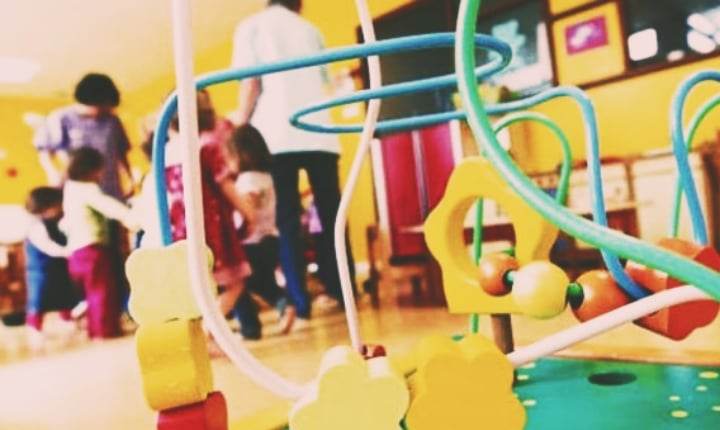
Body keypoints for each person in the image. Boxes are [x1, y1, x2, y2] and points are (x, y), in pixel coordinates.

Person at [232, 0, 355, 323]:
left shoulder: (252, 26)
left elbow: (250, 82)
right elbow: (323, 79)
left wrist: (239, 125)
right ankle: (344, 292)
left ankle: (301, 303)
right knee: (332, 216)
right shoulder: (311, 29)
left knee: (286, 222)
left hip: (277, 135)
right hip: (320, 131)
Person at [33, 73, 134, 313]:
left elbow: (120, 152)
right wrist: (54, 175)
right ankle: (88, 304)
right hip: (79, 198)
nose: (104, 110)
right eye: (102, 105)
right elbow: (44, 151)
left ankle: (120, 306)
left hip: (110, 193)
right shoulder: (61, 118)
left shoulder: (112, 121)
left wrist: (129, 178)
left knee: (114, 254)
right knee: (89, 254)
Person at [163, 90, 259, 339]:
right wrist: (249, 213)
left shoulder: (165, 153)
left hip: (179, 232)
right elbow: (226, 186)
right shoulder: (205, 146)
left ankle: (202, 335)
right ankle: (205, 333)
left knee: (196, 287)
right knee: (235, 282)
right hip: (211, 229)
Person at [226, 124, 296, 335]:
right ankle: (283, 303)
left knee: (239, 283)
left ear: (241, 155)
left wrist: (241, 228)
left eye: (230, 156)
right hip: (270, 239)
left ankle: (251, 327)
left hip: (251, 242)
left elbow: (250, 206)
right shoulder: (266, 177)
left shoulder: (246, 180)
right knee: (263, 282)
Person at [62, 147, 139, 339]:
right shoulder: (87, 189)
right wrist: (131, 218)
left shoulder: (69, 189)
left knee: (93, 292)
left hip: (76, 251)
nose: (101, 174)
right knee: (102, 291)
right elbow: (108, 206)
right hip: (91, 248)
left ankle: (96, 330)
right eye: (99, 169)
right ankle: (105, 331)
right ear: (90, 170)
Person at [23, 187, 78, 349]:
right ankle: (35, 328)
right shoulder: (36, 226)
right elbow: (47, 245)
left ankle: (67, 321)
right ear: (45, 206)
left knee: (64, 295)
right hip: (40, 270)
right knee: (38, 301)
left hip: (57, 268)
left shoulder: (55, 221)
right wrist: (67, 252)